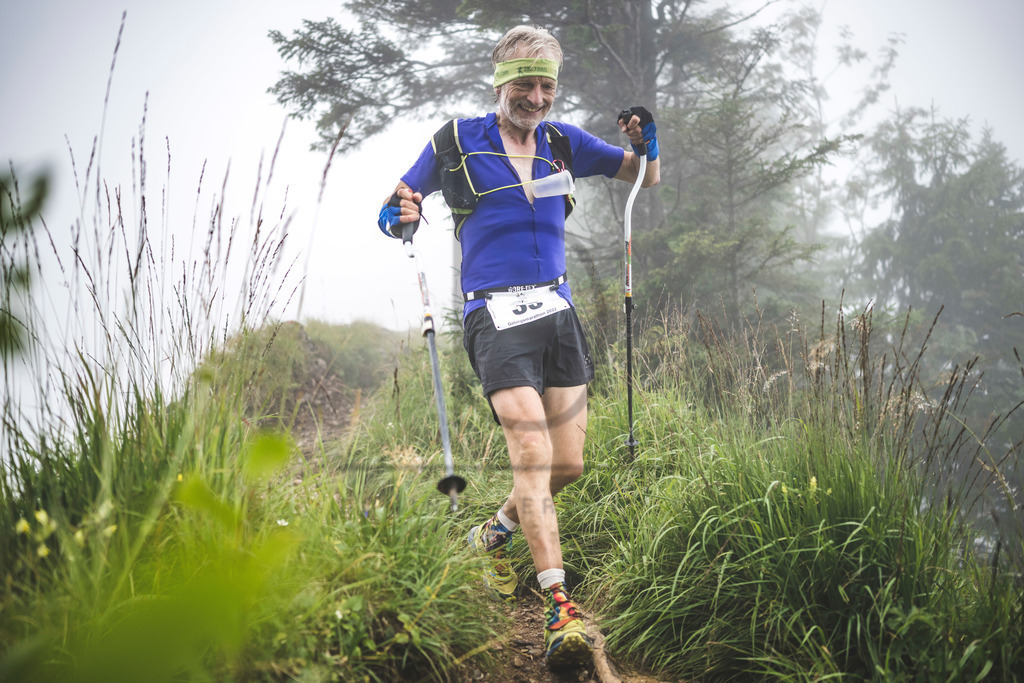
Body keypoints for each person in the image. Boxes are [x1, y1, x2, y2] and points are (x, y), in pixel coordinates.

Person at [377, 25, 660, 670]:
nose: (537, 97)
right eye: (525, 85)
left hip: (556, 312)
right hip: (494, 316)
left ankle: (493, 534)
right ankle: (561, 610)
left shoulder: (563, 142)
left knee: (567, 466)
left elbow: (647, 177)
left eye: (546, 86)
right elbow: (394, 208)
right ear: (500, 85)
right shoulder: (457, 141)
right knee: (531, 454)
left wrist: (649, 143)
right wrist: (402, 214)